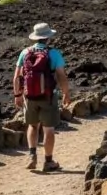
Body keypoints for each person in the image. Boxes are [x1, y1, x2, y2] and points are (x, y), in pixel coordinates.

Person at [13, 22, 70, 172]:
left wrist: (17, 95)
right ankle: (48, 161)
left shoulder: (25, 53)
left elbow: (17, 77)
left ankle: (32, 156)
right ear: (48, 37)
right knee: (49, 129)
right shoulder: (54, 54)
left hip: (29, 96)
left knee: (32, 126)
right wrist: (66, 94)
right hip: (48, 96)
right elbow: (62, 76)